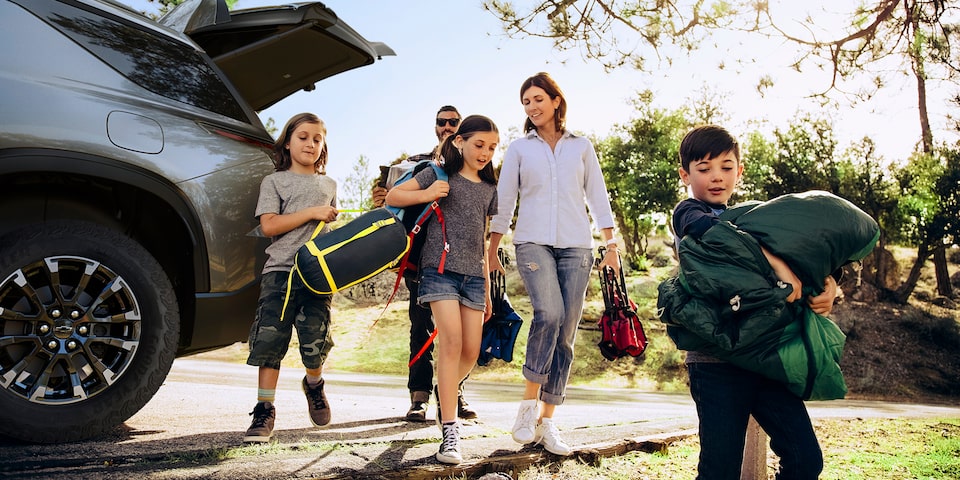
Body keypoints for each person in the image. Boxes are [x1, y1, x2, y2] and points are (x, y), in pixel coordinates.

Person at [672, 124, 837, 479]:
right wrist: (777, 265)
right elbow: (718, 237)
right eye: (704, 169)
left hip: (766, 359)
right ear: (685, 174)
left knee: (805, 459)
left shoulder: (750, 220)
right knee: (720, 471)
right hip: (715, 364)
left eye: (726, 167)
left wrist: (829, 284)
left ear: (739, 170)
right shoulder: (688, 214)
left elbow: (806, 255)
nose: (717, 177)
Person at [487, 72, 619, 457]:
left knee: (566, 333)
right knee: (549, 314)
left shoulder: (581, 146)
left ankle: (547, 423)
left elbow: (598, 196)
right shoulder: (519, 149)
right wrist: (493, 247)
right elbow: (505, 198)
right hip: (532, 243)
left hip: (578, 246)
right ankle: (527, 409)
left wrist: (611, 244)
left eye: (538, 99)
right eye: (526, 101)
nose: (532, 106)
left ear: (556, 101)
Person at [385, 114, 499, 464]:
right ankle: (450, 432)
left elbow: (481, 239)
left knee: (470, 351)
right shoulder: (437, 173)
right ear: (459, 141)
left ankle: (443, 387)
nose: (485, 153)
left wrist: (489, 290)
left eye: (492, 148)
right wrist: (430, 192)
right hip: (438, 273)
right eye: (479, 144)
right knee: (449, 341)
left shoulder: (489, 189)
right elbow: (394, 194)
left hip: (474, 279)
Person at [372, 106, 479, 423]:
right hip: (420, 259)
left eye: (453, 121)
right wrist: (384, 197)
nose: (446, 126)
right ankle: (418, 397)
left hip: (460, 262)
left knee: (456, 333)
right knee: (421, 327)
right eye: (441, 121)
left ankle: (454, 394)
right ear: (435, 127)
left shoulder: (474, 164)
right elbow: (393, 201)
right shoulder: (416, 164)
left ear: (461, 128)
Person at [243, 113, 340, 443]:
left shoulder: (329, 185)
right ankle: (264, 409)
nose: (310, 144)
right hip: (280, 272)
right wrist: (312, 212)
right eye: (303, 137)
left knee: (316, 344)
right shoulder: (274, 182)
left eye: (317, 138)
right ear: (288, 141)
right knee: (270, 341)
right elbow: (269, 226)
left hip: (317, 276)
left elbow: (329, 233)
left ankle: (314, 384)